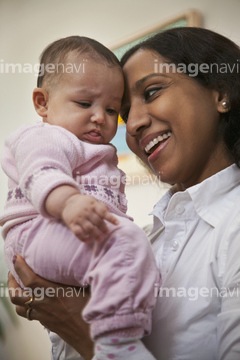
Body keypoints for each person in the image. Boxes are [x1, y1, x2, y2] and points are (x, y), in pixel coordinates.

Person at [7, 26, 240, 360]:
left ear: (221, 93)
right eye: (127, 113)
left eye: (153, 91)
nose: (130, 126)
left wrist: (82, 331)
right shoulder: (149, 236)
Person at [0, 36, 159, 360]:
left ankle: (111, 332)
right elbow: (41, 171)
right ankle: (117, 341)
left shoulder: (90, 148)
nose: (101, 117)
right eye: (85, 104)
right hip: (36, 231)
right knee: (126, 243)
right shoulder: (45, 136)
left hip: (52, 235)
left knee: (127, 252)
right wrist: (69, 202)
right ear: (42, 103)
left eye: (112, 109)